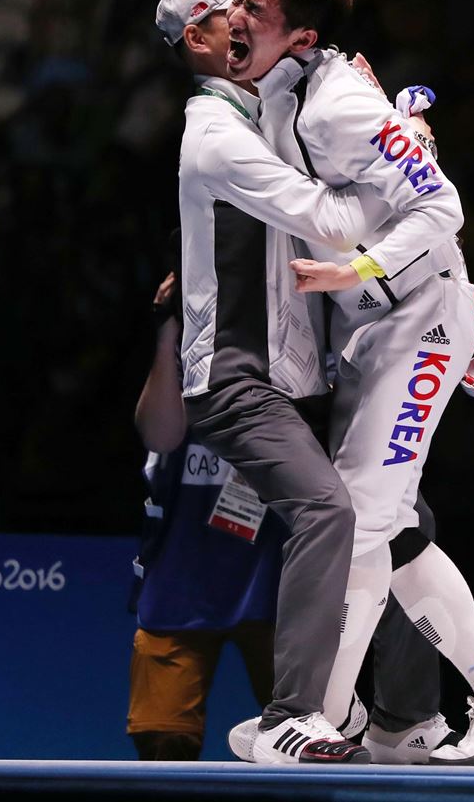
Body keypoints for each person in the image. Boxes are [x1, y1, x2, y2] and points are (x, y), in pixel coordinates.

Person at [224, 0, 474, 765]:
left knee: (363, 520)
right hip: (374, 329)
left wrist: (357, 265)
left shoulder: (334, 102)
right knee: (391, 523)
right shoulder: (281, 88)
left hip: (423, 322)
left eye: (253, 11)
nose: (237, 18)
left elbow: (440, 206)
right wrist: (404, 124)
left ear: (299, 35)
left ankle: (314, 717)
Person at [155, 0, 391, 765]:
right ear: (200, 35)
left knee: (401, 519)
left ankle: (407, 715)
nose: (250, 23)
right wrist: (399, 164)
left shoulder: (254, 112)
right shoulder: (217, 134)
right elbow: (329, 216)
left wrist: (368, 109)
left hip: (282, 377)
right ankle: (293, 712)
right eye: (235, 12)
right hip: (232, 379)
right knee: (328, 510)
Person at [126, 235, 287, 761]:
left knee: (305, 742)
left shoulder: (294, 328)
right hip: (182, 578)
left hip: (278, 581)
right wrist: (169, 329)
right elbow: (160, 436)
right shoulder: (180, 342)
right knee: (163, 742)